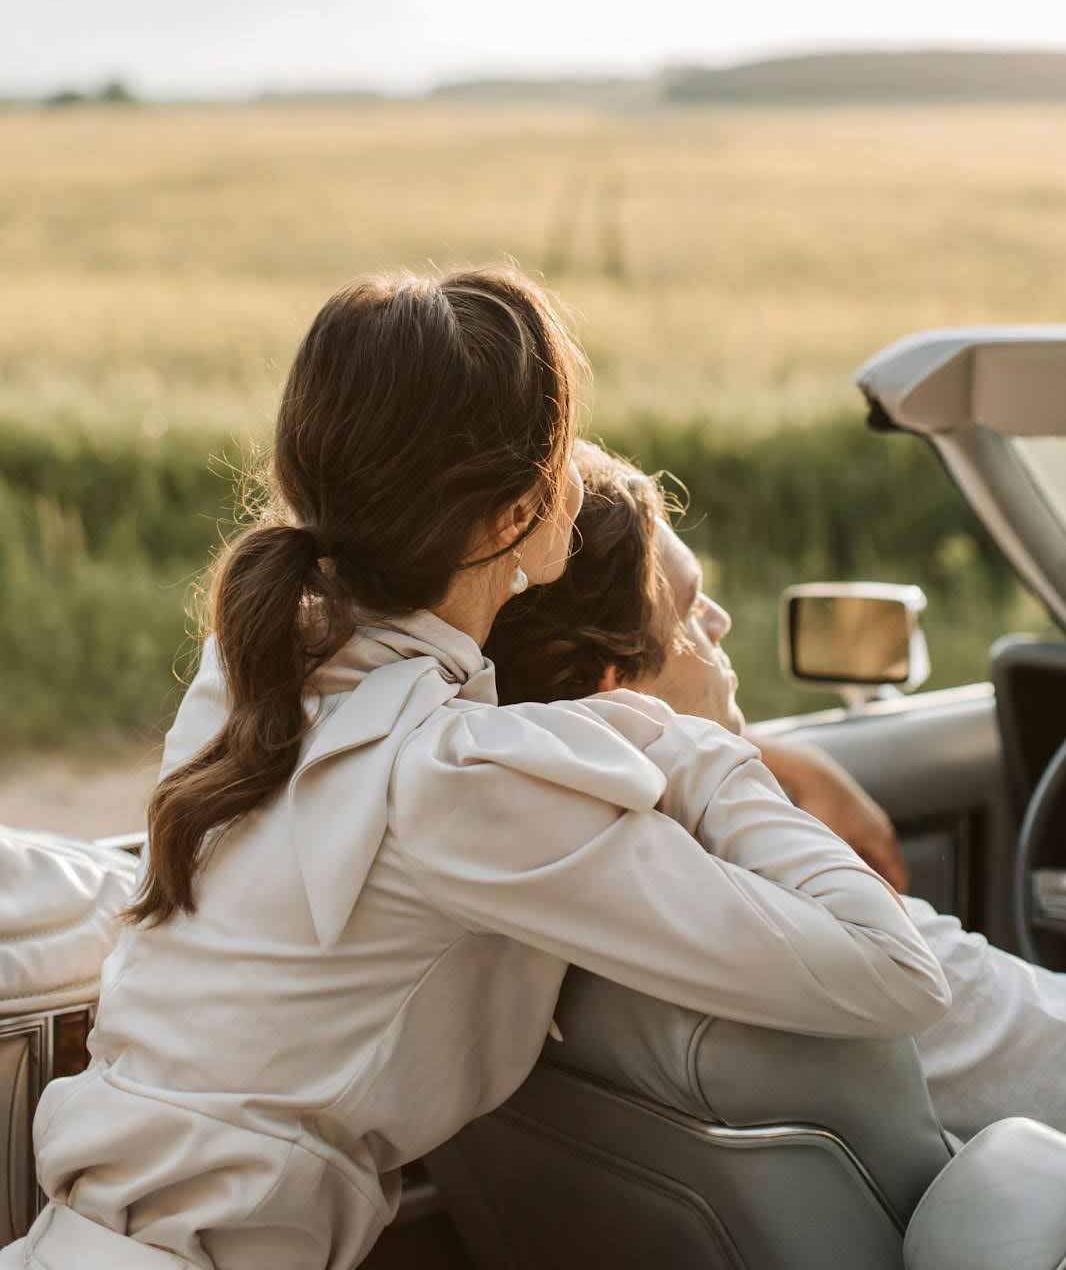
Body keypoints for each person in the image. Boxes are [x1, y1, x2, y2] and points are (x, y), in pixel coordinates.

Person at [1, 270, 949, 1270]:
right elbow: (892, 972)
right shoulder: (461, 783)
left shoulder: (249, 683)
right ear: (514, 516)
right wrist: (697, 745)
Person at [486, 439, 1066, 1141]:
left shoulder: (529, 879)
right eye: (694, 604)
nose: (721, 622)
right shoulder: (830, 931)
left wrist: (771, 756)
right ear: (618, 685)